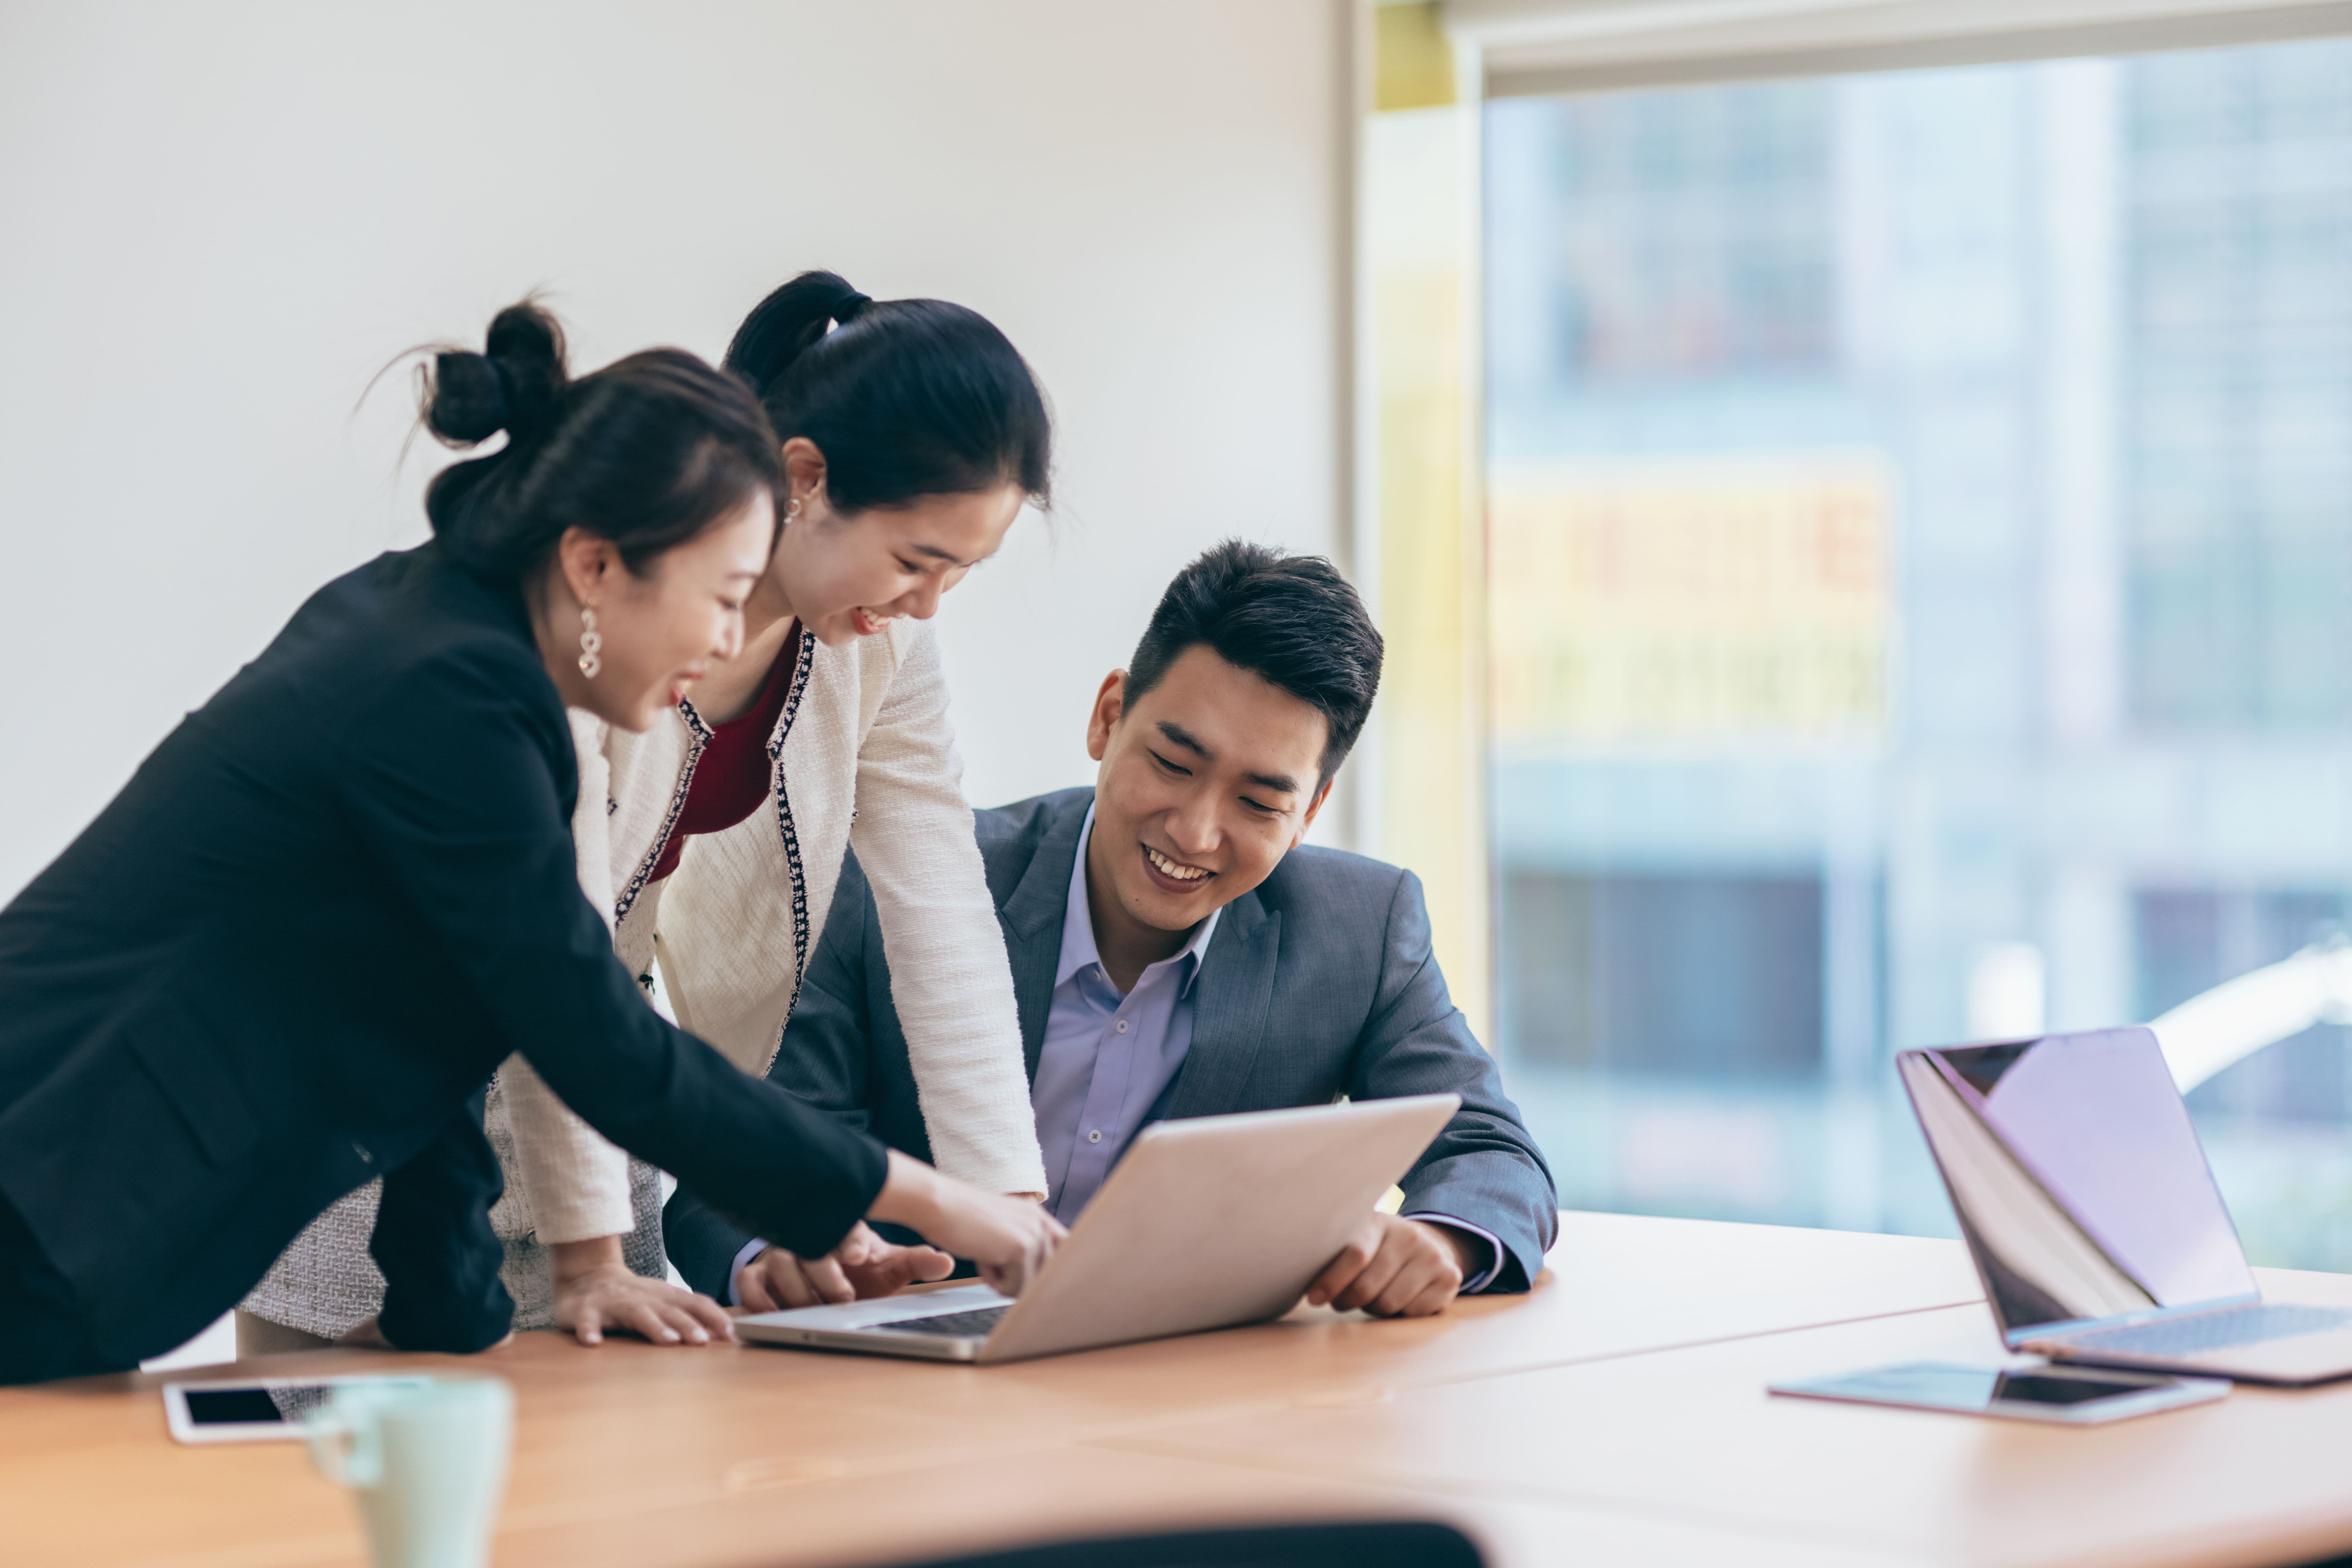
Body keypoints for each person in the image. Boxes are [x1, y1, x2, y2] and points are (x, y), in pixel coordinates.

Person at [0, 302, 1060, 1386]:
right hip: (52, 1173)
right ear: (598, 567)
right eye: (724, 597)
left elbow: (443, 1019)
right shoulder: (451, 689)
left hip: (84, 1208)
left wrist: (444, 1308)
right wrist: (922, 1195)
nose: (727, 640)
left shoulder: (476, 662)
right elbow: (598, 1040)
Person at [666, 541, 1557, 1319]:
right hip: (909, 1396)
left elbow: (1492, 1153)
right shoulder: (906, 884)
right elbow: (737, 1156)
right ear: (1107, 716)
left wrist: (1441, 1244)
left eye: (1258, 800)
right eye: (1173, 763)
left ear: (1314, 808)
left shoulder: (1361, 933)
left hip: (1196, 1407)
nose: (1195, 832)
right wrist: (773, 1255)